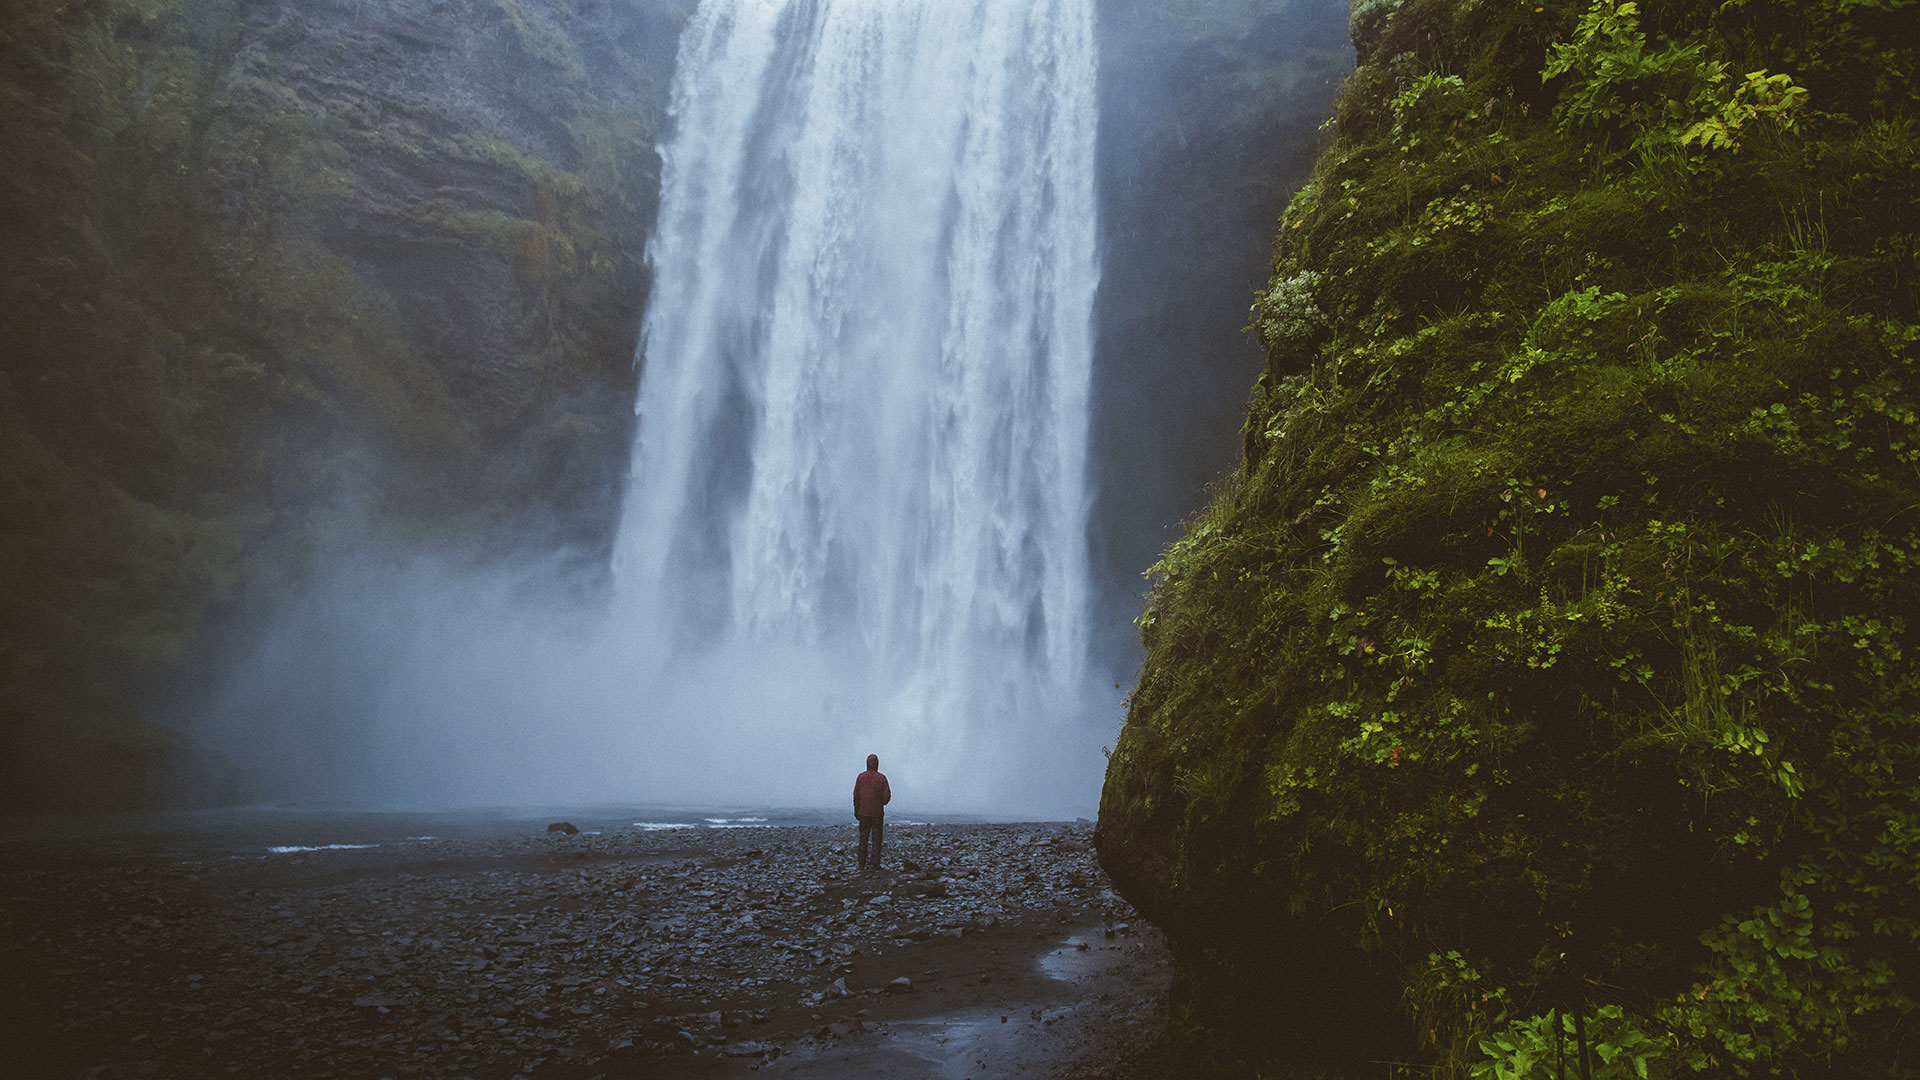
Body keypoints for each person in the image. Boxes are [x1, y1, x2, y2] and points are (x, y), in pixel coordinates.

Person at [853, 753, 891, 872]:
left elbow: (856, 796)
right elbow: (886, 796)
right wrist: (881, 802)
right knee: (876, 840)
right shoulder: (882, 778)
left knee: (863, 839)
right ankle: (875, 864)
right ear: (877, 764)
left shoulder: (861, 777)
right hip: (877, 813)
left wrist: (857, 810)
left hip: (863, 813)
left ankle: (861, 865)